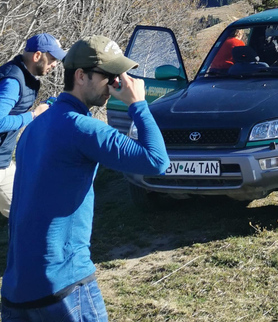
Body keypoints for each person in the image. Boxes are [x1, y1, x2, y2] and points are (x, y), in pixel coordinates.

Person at [1, 35, 170, 321]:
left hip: (17, 290)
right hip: (63, 288)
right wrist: (138, 104)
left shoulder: (34, 128)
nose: (117, 83)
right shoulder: (84, 128)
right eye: (109, 76)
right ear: (81, 76)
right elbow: (156, 161)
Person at [0, 33, 67, 218]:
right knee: (28, 213)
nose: (55, 65)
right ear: (37, 56)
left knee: (29, 210)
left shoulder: (23, 77)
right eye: (52, 59)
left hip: (4, 162)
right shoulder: (12, 81)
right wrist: (33, 115)